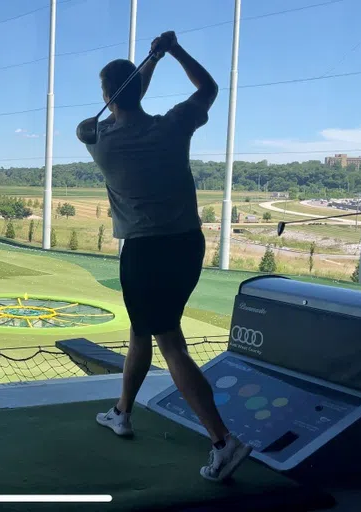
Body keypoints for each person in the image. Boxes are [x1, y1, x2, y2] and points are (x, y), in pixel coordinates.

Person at [82, 31, 252, 482]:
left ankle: (223, 441)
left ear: (105, 96)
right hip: (186, 245)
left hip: (144, 252)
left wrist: (146, 66)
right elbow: (209, 89)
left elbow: (124, 101)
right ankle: (122, 411)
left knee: (169, 342)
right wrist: (170, 52)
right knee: (144, 330)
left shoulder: (98, 139)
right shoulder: (174, 124)